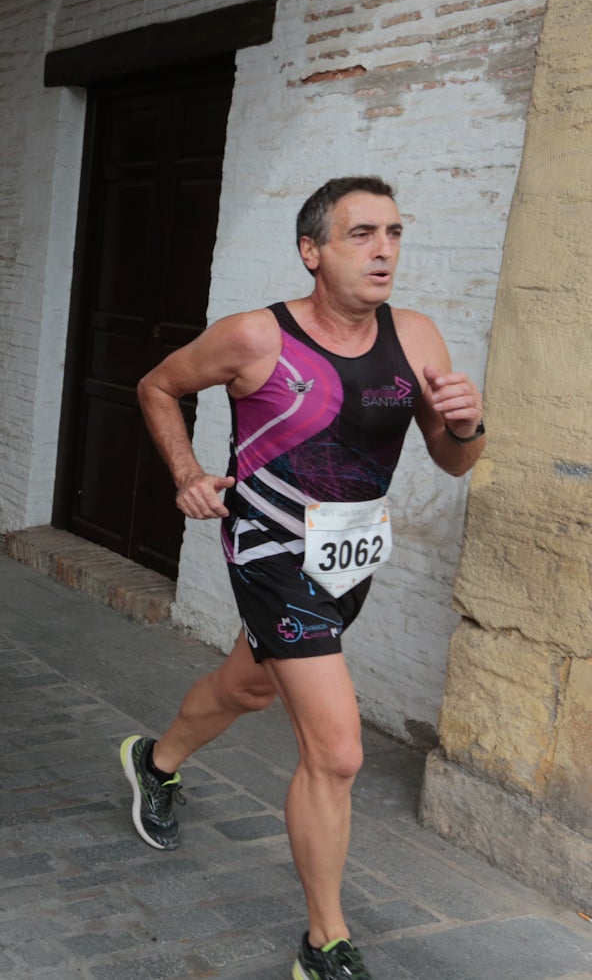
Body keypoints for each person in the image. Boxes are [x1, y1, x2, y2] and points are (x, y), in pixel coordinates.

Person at [122, 176, 486, 980]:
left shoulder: (417, 337)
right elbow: (158, 385)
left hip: (347, 557)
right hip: (269, 551)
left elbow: (453, 459)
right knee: (338, 748)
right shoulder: (257, 338)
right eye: (361, 233)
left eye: (393, 231)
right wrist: (185, 469)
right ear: (311, 251)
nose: (384, 248)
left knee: (248, 685)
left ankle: (156, 761)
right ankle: (324, 943)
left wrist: (467, 424)